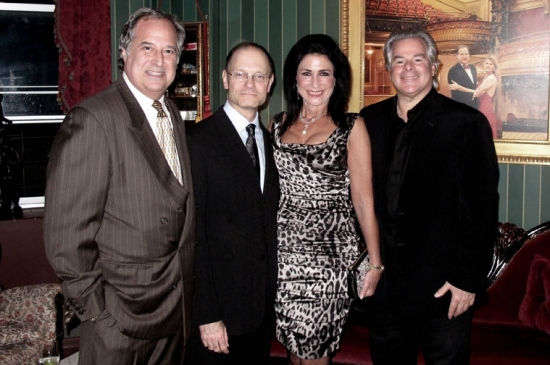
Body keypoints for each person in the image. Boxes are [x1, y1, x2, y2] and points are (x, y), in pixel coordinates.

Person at [44, 8, 195, 365]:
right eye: (147, 48)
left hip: (173, 314)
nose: (159, 60)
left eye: (169, 50)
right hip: (120, 323)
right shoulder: (93, 120)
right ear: (124, 53)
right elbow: (65, 241)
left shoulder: (172, 114)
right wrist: (99, 316)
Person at [360, 28, 499, 364]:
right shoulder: (368, 121)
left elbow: (482, 210)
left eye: (418, 59)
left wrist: (466, 282)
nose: (408, 68)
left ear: (434, 67)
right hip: (386, 288)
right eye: (399, 60)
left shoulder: (466, 123)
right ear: (389, 68)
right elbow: (359, 198)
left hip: (444, 288)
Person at [271, 34, 382, 365]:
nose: (315, 82)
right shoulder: (277, 125)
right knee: (293, 344)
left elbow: (364, 200)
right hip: (284, 255)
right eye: (306, 73)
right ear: (295, 78)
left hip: (331, 257)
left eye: (324, 73)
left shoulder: (351, 127)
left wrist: (374, 264)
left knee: (317, 350)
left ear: (337, 79)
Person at [184, 42, 279, 365]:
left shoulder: (271, 141)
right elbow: (191, 235)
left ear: (270, 83)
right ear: (225, 79)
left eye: (258, 76)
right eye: (240, 74)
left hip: (260, 312)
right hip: (217, 317)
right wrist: (206, 314)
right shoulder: (198, 142)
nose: (249, 84)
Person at [450, 57, 501, 138]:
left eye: (490, 64)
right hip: (482, 107)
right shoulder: (486, 76)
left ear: (494, 67)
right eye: (486, 63)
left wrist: (458, 87)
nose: (488, 65)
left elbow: (476, 93)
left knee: (483, 135)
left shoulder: (491, 78)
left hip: (485, 109)